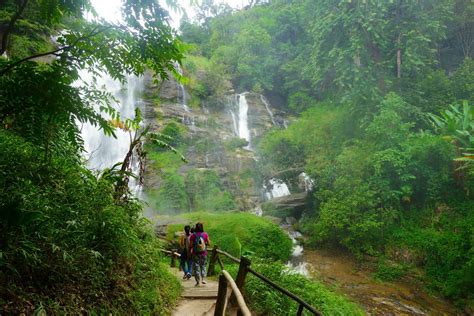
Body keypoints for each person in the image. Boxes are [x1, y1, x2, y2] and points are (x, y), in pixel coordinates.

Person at [190, 222, 210, 287]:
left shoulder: (193, 235)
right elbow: (209, 243)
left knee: (196, 267)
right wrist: (203, 244)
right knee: (203, 265)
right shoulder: (205, 234)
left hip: (195, 253)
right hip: (203, 253)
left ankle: (198, 282)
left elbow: (190, 245)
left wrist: (194, 246)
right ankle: (203, 279)